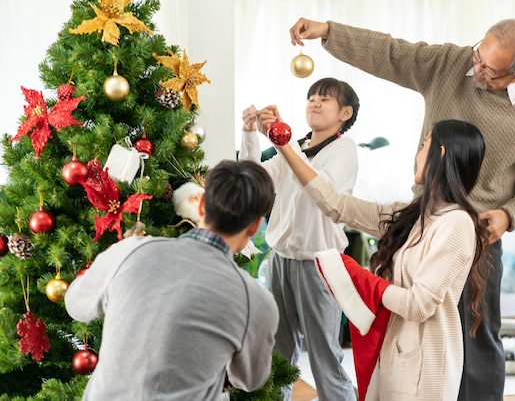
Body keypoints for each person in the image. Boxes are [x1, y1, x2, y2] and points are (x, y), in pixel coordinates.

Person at [288, 17, 515, 400]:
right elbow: (391, 52)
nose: (476, 70)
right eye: (477, 55)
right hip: (422, 219)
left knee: (477, 339)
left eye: (489, 70)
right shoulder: (452, 64)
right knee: (411, 332)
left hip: (481, 234)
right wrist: (329, 32)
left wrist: (508, 215)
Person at [263, 117, 490, 401]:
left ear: (440, 153)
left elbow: (419, 305)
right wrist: (286, 147)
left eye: (424, 145)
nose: (418, 155)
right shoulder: (413, 215)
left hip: (427, 365)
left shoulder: (456, 224)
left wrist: (358, 279)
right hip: (395, 351)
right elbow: (335, 205)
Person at [64, 159, 279, 400]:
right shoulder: (256, 301)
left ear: (201, 205)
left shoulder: (130, 250)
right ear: (254, 226)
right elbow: (249, 379)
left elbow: (75, 304)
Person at [239, 77, 360, 401]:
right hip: (280, 261)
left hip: (318, 265)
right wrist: (251, 133)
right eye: (311, 98)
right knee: (279, 356)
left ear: (345, 113)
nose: (315, 103)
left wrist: (284, 141)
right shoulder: (298, 147)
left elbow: (322, 189)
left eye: (325, 99)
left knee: (324, 360)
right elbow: (253, 179)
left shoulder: (344, 149)